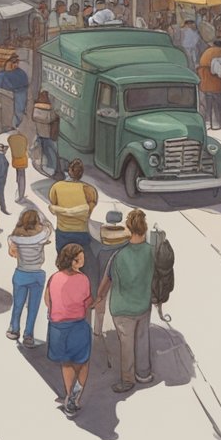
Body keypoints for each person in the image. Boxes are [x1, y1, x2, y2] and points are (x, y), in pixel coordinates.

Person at [97, 210, 155, 394]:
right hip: (143, 304)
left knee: (126, 344)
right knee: (142, 337)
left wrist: (99, 297)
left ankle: (127, 380)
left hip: (122, 308)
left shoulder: (119, 256)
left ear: (128, 230)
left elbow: (106, 282)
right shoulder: (151, 252)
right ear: (144, 229)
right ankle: (144, 373)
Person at [46, 244, 93, 418]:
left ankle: (69, 395)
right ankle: (74, 396)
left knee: (66, 363)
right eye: (80, 259)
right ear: (73, 261)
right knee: (83, 361)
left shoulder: (53, 278)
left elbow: (47, 300)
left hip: (57, 327)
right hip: (76, 326)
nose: (83, 261)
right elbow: (88, 303)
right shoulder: (83, 279)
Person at [7, 209, 52, 348]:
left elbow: (11, 247)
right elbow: (49, 226)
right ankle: (28, 335)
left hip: (21, 273)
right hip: (37, 275)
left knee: (18, 304)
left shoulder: (15, 237)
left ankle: (14, 329)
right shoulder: (42, 235)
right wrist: (43, 220)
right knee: (33, 308)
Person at [49, 160, 98, 257]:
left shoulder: (56, 187)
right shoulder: (89, 190)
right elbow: (88, 213)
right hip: (81, 234)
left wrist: (63, 210)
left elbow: (53, 207)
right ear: (81, 173)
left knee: (63, 260)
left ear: (69, 171)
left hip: (62, 233)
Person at [0, 55, 30, 129]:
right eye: (13, 63)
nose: (15, 65)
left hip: (18, 94)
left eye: (16, 62)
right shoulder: (2, 75)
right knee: (8, 112)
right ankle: (10, 125)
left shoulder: (20, 73)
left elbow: (25, 85)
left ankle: (15, 125)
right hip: (7, 96)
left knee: (18, 111)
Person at [197, 40, 221, 130]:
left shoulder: (207, 51)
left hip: (205, 81)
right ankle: (217, 123)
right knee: (218, 103)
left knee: (208, 103)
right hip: (214, 82)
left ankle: (208, 122)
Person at [32, 91, 62, 179]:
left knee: (44, 151)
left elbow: (33, 117)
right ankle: (53, 169)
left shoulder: (36, 107)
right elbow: (51, 118)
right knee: (52, 151)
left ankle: (46, 166)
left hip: (39, 133)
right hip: (48, 134)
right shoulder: (49, 108)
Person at [8, 132, 30, 203]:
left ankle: (19, 193)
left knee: (18, 175)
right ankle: (21, 196)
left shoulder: (10, 138)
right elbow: (26, 148)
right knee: (22, 177)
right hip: (23, 160)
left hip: (15, 160)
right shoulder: (23, 138)